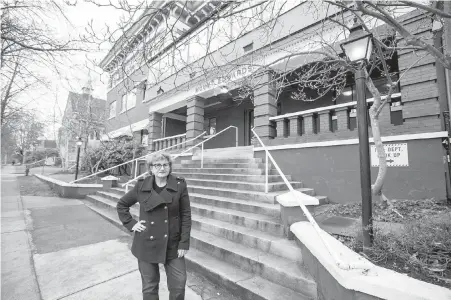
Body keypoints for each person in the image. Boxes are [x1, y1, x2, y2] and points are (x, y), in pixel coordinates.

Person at [117, 152, 192, 300]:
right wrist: (132, 224)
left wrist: (184, 242)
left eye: (165, 164)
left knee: (179, 284)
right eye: (157, 165)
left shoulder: (179, 184)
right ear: (151, 168)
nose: (162, 168)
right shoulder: (141, 186)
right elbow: (122, 205)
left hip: (173, 242)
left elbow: (186, 214)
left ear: (170, 167)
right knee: (150, 287)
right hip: (146, 242)